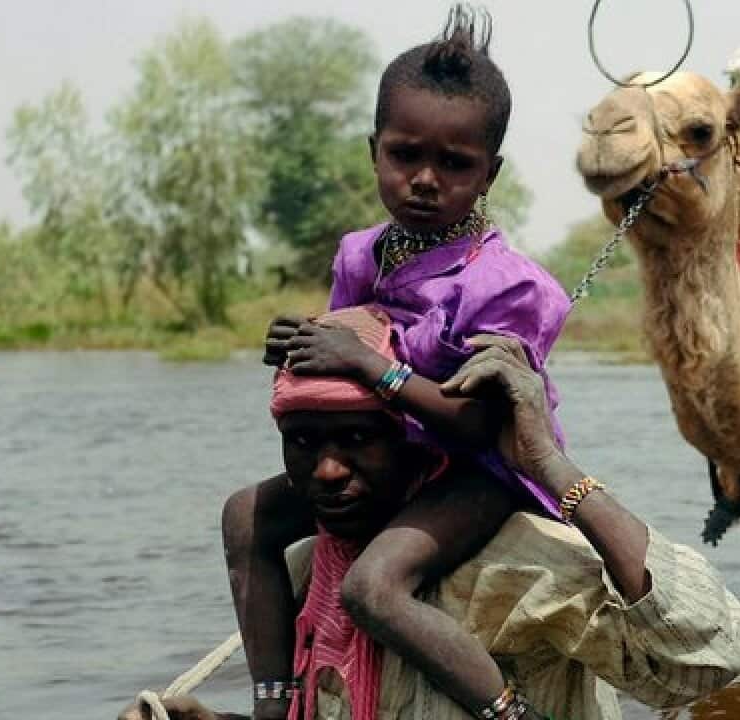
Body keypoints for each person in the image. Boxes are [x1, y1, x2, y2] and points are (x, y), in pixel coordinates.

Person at [132, 314, 740, 720]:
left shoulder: (515, 558)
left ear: (411, 441)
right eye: (302, 442)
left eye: (355, 439)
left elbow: (703, 659)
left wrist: (549, 466)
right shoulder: (306, 575)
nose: (325, 470)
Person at [254, 6, 570, 720]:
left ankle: (508, 713)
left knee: (374, 588)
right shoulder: (359, 255)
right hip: (396, 459)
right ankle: (273, 703)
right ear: (375, 151)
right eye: (405, 155)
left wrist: (374, 372)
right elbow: (336, 383)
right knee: (248, 517)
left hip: (483, 469)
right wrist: (303, 353)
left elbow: (471, 427)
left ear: (488, 173)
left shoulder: (508, 286)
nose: (425, 179)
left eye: (454, 164)